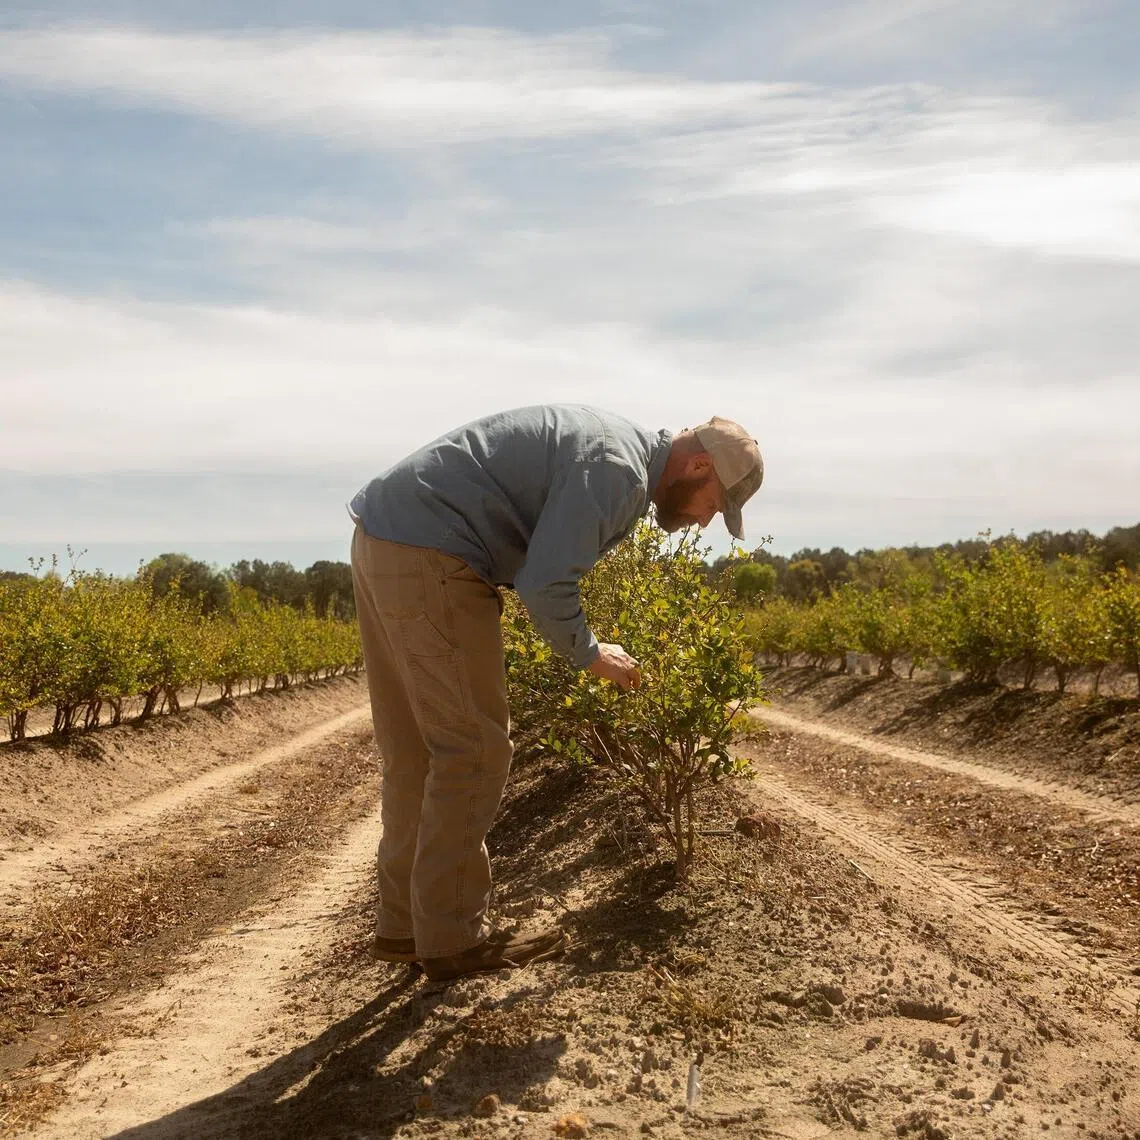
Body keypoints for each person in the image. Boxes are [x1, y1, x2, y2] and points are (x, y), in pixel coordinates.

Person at [348, 405, 763, 981]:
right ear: (696, 467)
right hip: (436, 553)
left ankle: (405, 928)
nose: (703, 523)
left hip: (386, 539)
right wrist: (593, 653)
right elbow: (545, 581)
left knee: (417, 752)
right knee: (474, 752)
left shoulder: (613, 447)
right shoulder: (620, 470)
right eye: (714, 506)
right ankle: (450, 939)